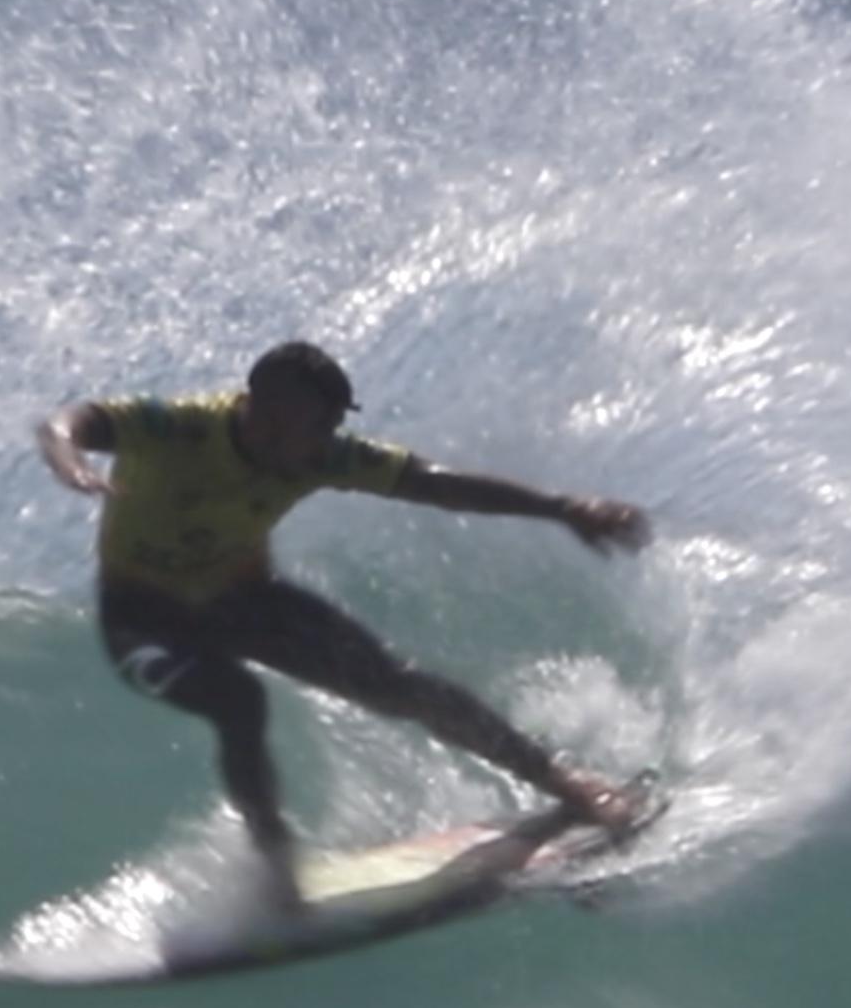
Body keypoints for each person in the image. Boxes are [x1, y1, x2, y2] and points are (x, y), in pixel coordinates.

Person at [36, 341, 653, 912]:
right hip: (145, 619)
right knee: (238, 702)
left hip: (247, 601)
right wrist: (70, 461)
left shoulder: (318, 455)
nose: (329, 442)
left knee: (401, 684)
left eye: (333, 427)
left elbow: (436, 485)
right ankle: (276, 868)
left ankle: (564, 781)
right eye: (317, 428)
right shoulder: (179, 427)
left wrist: (564, 508)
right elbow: (70, 422)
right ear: (268, 414)